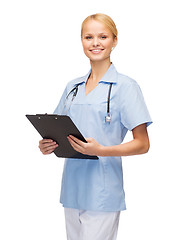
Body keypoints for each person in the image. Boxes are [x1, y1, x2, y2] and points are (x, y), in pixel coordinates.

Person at [39, 13, 152, 240]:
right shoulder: (73, 87)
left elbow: (143, 144)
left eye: (103, 36)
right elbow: (58, 129)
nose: (95, 43)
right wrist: (46, 144)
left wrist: (101, 150)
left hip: (103, 190)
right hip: (72, 188)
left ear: (114, 41)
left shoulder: (126, 87)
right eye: (88, 37)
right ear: (81, 41)